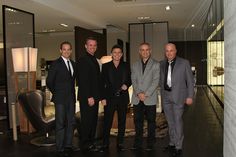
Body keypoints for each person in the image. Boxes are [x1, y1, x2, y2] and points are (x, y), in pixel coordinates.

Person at [160, 43, 194, 157]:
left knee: (177, 121)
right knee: (170, 122)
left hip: (179, 97)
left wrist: (190, 96)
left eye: (171, 50)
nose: (169, 53)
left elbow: (190, 81)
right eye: (167, 51)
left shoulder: (184, 63)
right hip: (166, 97)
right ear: (165, 52)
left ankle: (178, 146)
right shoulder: (162, 63)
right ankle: (172, 143)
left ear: (176, 51)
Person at [46, 41, 76, 156]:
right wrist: (57, 92)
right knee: (60, 123)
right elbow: (49, 81)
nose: (67, 51)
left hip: (71, 99)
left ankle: (68, 144)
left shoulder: (73, 64)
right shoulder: (56, 64)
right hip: (60, 99)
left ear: (71, 51)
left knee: (71, 122)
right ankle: (60, 146)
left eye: (69, 49)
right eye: (64, 49)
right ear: (60, 50)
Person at [100, 45, 131, 152]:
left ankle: (120, 142)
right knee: (107, 121)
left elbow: (130, 79)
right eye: (115, 52)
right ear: (111, 54)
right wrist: (102, 98)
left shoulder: (126, 65)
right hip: (109, 98)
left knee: (122, 121)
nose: (117, 54)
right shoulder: (105, 66)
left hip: (122, 98)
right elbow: (102, 83)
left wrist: (127, 85)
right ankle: (105, 142)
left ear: (122, 54)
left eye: (119, 52)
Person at [131, 42, 160, 151]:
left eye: (147, 49)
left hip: (150, 98)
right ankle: (137, 143)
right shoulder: (134, 65)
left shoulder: (156, 64)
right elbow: (133, 81)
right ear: (139, 52)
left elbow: (156, 81)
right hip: (137, 98)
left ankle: (150, 143)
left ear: (150, 51)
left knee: (151, 122)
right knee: (137, 122)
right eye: (142, 50)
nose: (145, 52)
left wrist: (146, 94)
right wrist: (139, 93)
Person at [77, 37, 104, 152]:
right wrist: (89, 96)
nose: (92, 47)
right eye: (90, 45)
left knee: (93, 121)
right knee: (87, 122)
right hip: (88, 97)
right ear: (86, 46)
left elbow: (96, 80)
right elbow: (83, 81)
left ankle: (91, 143)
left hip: (94, 97)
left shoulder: (94, 59)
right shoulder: (83, 60)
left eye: (94, 45)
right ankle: (85, 144)